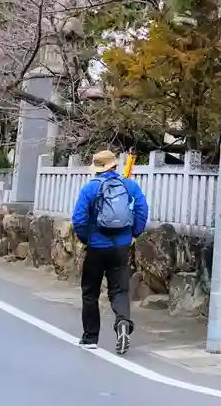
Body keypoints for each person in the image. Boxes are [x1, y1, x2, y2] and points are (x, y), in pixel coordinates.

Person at [70, 150, 148, 354]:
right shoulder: (129, 185)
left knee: (90, 292)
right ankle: (122, 323)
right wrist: (134, 233)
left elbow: (78, 218)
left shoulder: (91, 188)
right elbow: (142, 209)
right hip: (121, 247)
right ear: (114, 165)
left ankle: (90, 337)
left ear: (97, 168)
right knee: (120, 290)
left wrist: (86, 238)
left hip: (96, 247)